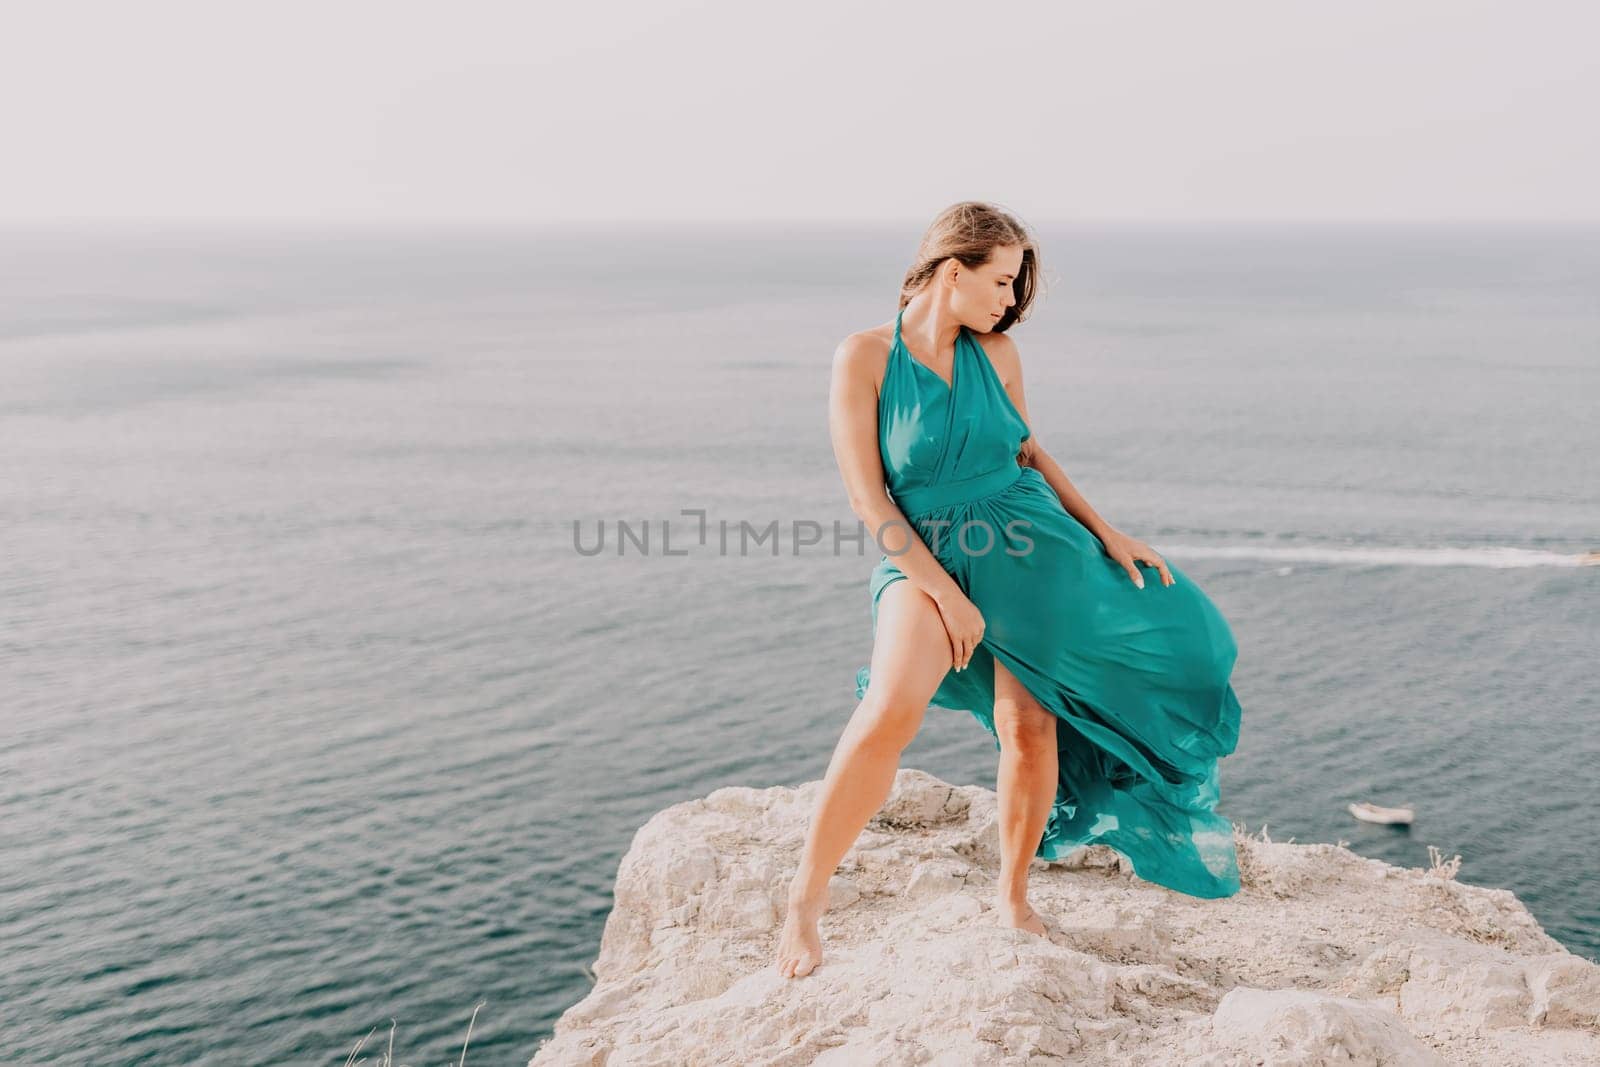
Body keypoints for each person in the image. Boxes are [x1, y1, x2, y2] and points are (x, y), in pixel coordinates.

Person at [775, 201, 1244, 980]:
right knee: (890, 707)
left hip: (1029, 545)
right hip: (922, 555)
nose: (1008, 301)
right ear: (951, 270)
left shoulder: (997, 355)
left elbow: (1029, 452)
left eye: (1014, 286)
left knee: (1031, 723)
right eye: (999, 282)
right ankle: (804, 899)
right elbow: (869, 500)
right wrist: (946, 595)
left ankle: (1014, 895)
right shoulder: (861, 357)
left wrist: (1105, 530)